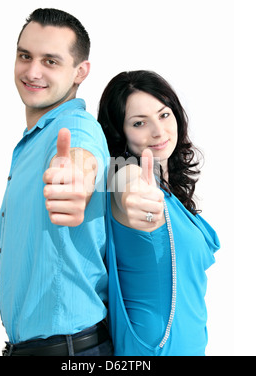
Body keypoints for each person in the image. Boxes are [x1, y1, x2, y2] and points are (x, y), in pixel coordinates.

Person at [0, 8, 113, 356]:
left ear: (80, 72)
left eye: (50, 61)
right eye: (25, 56)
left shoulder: (75, 128)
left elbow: (81, 155)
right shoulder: (32, 142)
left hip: (72, 352)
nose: (32, 71)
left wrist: (76, 179)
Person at [98, 70, 220, 356]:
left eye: (163, 115)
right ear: (119, 132)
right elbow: (124, 183)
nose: (158, 131)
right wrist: (133, 195)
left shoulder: (170, 194)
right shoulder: (123, 174)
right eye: (139, 123)